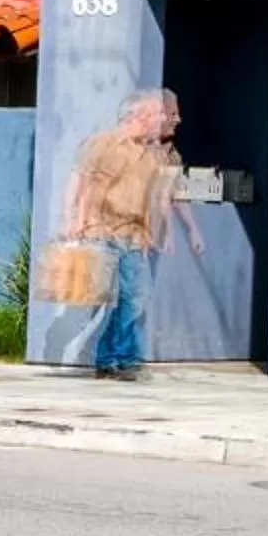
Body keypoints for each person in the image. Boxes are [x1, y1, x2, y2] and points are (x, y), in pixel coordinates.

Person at [64, 91, 204, 379]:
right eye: (158, 114)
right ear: (140, 116)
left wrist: (156, 232)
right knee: (114, 298)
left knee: (136, 298)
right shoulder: (107, 144)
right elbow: (90, 185)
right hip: (104, 231)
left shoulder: (151, 154)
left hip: (133, 234)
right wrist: (78, 220)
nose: (164, 119)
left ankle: (116, 357)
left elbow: (155, 196)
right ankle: (115, 360)